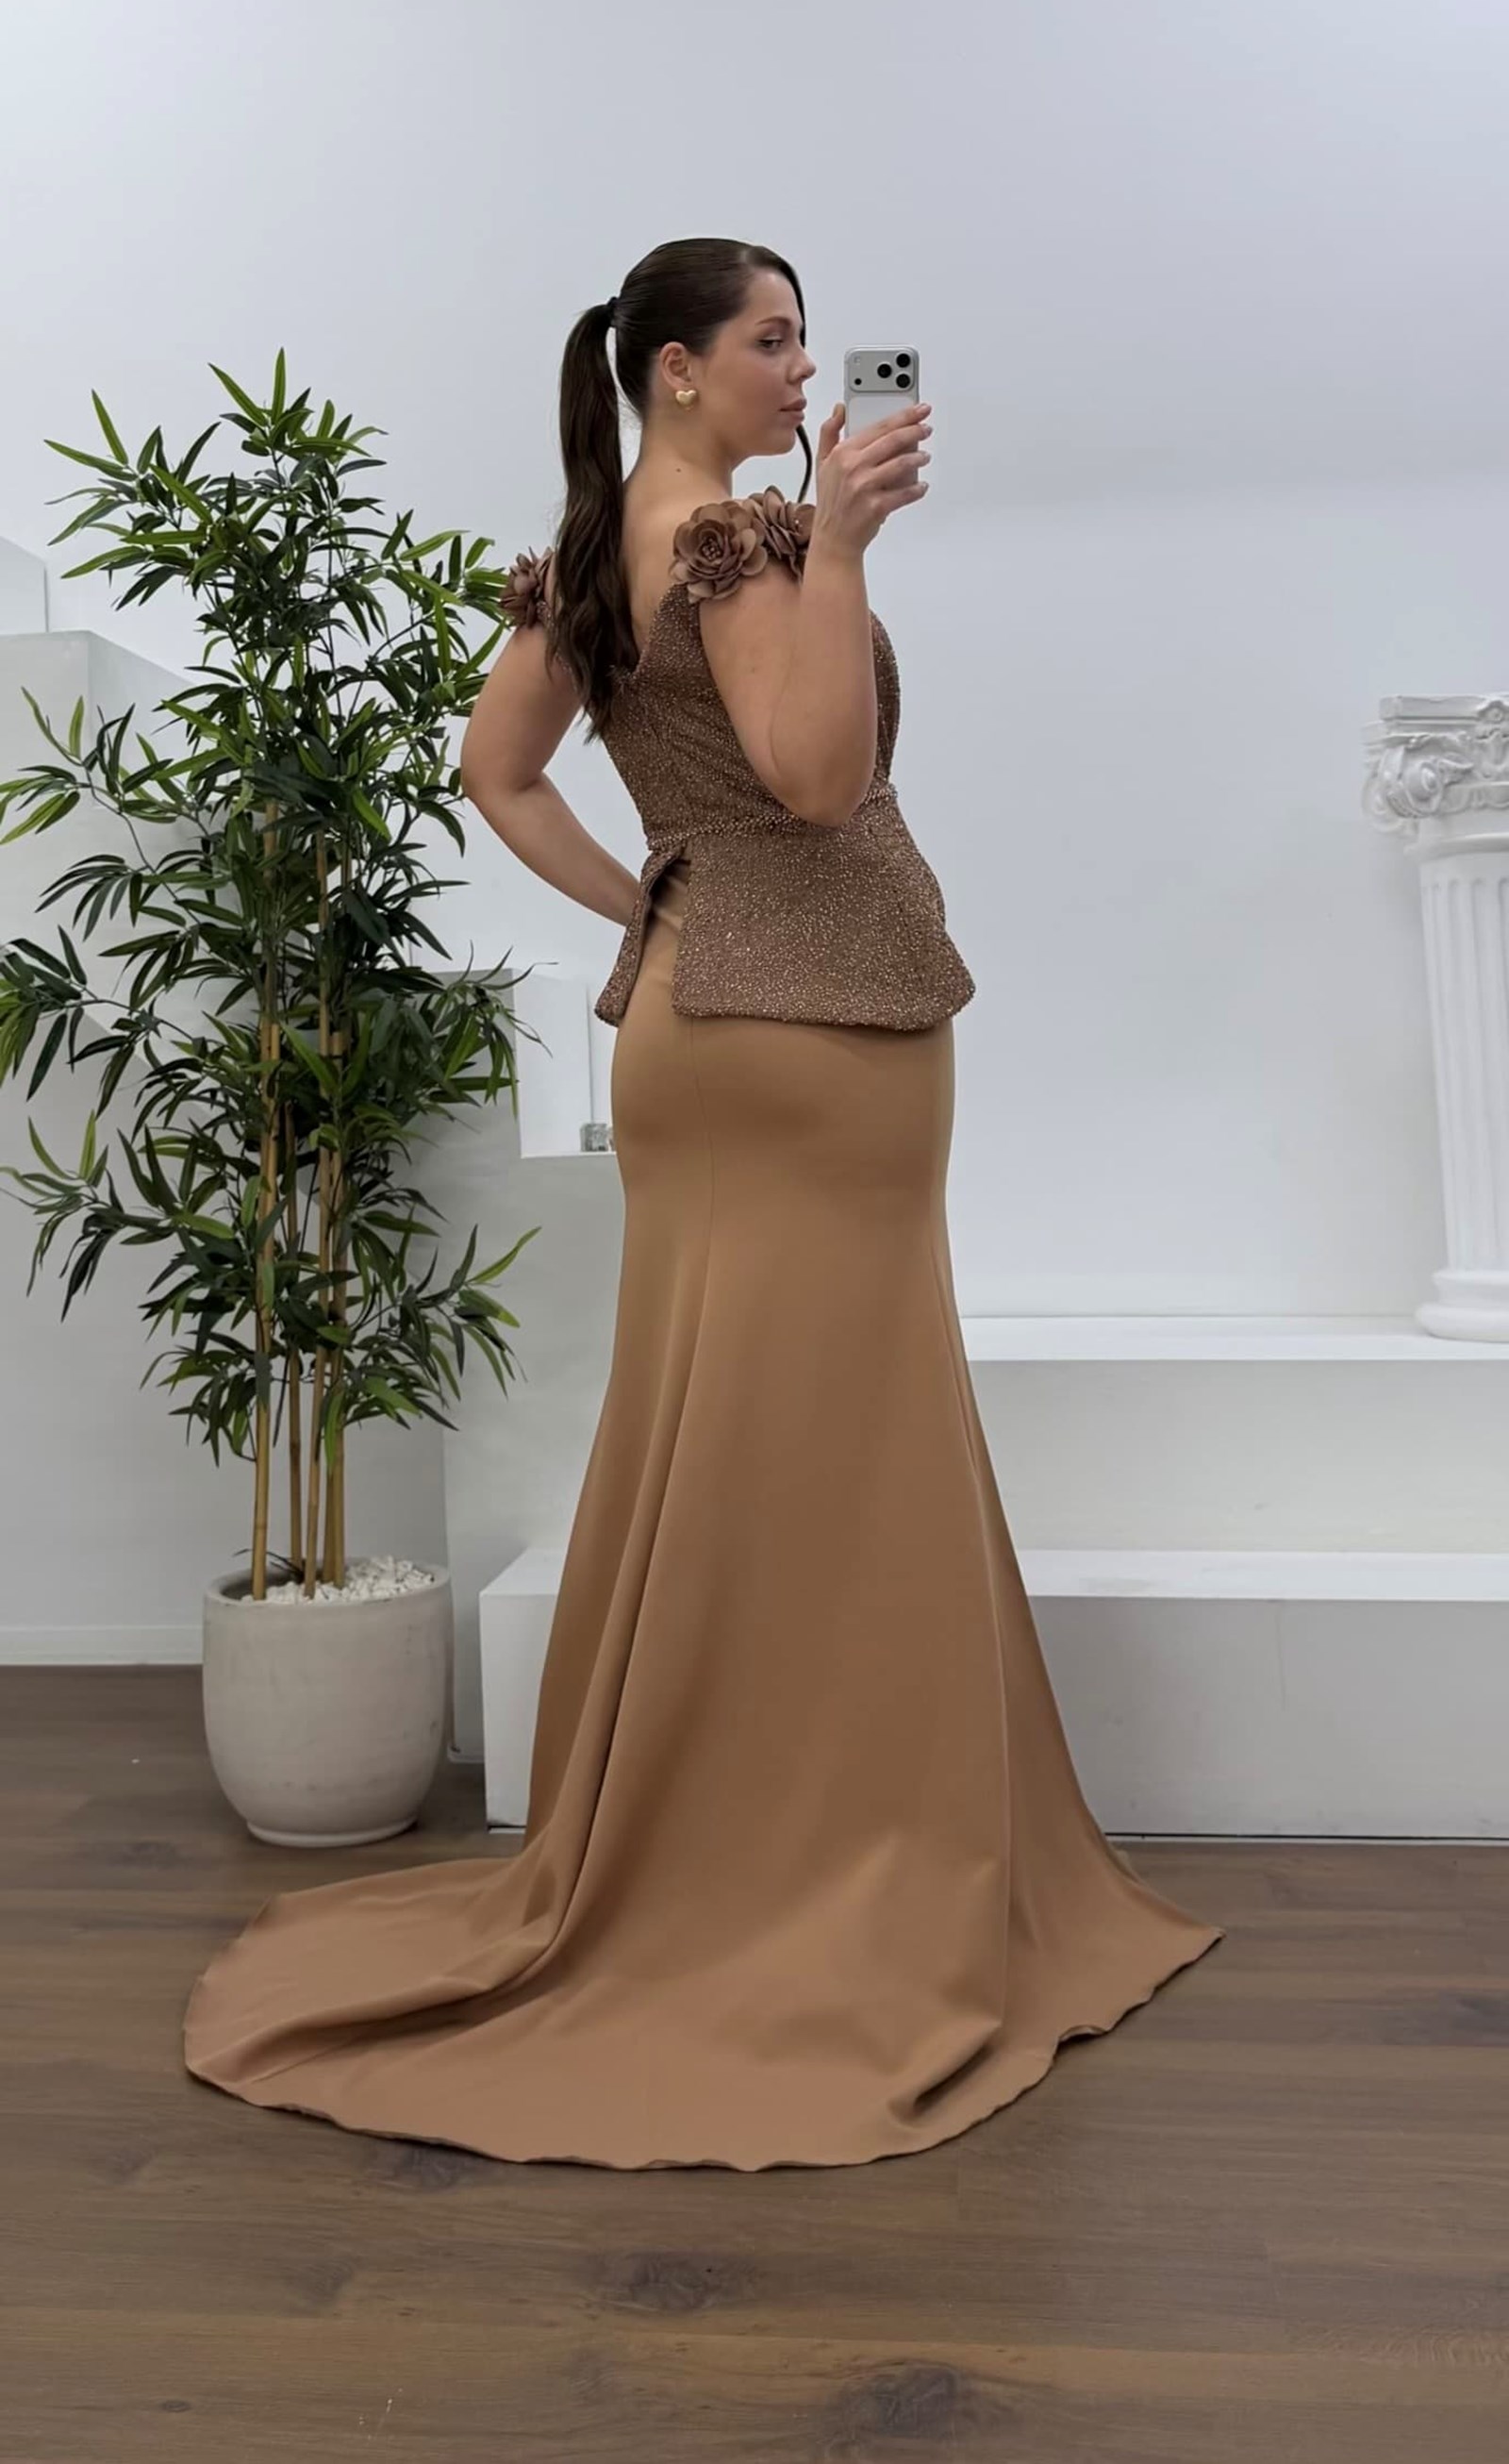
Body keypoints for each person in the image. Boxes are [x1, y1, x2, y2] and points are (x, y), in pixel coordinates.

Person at [182, 237, 1223, 2171]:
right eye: (771, 338)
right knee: (838, 1454)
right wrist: (845, 544)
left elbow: (498, 772)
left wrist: (652, 901)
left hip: (707, 1033)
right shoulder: (734, 544)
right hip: (815, 1039)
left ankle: (703, 1849)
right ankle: (817, 1880)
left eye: (808, 340)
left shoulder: (601, 550)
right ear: (674, 368)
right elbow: (815, 782)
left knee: (721, 1437)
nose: (803, 367)